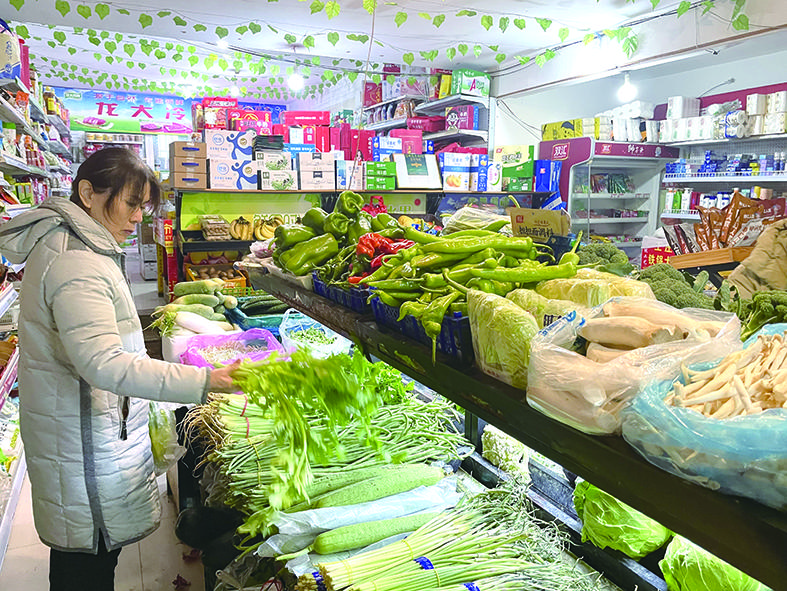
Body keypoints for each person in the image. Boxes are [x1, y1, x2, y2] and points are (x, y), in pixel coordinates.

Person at [0, 147, 239, 591]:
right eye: (131, 204)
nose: (137, 219)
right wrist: (207, 380)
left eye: (142, 207)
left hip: (80, 432)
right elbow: (104, 363)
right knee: (86, 566)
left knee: (86, 561)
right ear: (88, 193)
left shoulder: (80, 246)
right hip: (83, 444)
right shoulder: (76, 260)